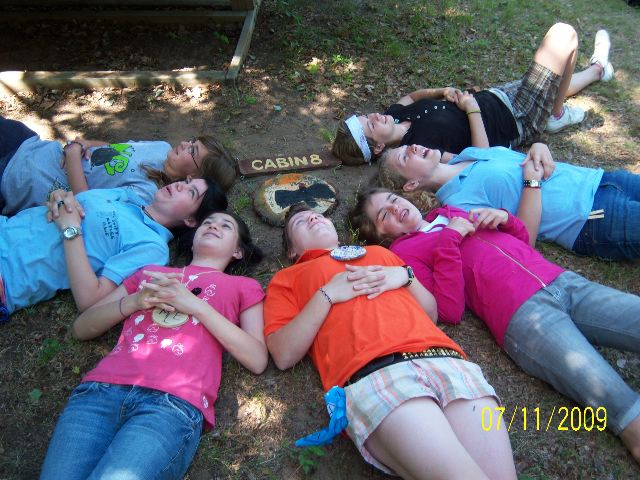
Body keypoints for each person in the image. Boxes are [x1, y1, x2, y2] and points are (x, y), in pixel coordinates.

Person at [349, 185, 640, 463]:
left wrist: (505, 219)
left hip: (564, 283)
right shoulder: (406, 253)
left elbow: (523, 242)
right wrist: (450, 238)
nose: (395, 208)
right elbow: (449, 309)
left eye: (393, 199)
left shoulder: (450, 211)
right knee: (620, 405)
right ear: (379, 235)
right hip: (524, 314)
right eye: (384, 215)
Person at [264, 204, 517, 479]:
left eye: (318, 214)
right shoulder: (287, 278)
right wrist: (326, 295)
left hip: (446, 359)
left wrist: (406, 276)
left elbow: (431, 314)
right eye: (300, 222)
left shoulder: (380, 252)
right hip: (377, 373)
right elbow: (283, 354)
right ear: (291, 251)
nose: (313, 217)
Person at [39, 211, 267, 480]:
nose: (213, 226)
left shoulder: (243, 286)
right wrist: (134, 301)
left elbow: (257, 359)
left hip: (171, 405)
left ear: (238, 251)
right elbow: (81, 327)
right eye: (207, 222)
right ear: (193, 238)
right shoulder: (149, 273)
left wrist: (195, 306)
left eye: (225, 226)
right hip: (99, 392)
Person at [332, 24, 613, 165]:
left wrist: (442, 91)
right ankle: (556, 114)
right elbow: (481, 160)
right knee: (564, 34)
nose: (375, 115)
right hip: (514, 119)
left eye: (367, 115)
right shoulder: (417, 150)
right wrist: (470, 108)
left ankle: (597, 69)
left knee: (553, 79)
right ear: (378, 148)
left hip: (496, 96)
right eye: (371, 124)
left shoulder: (393, 115)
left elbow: (413, 97)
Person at [0, 177, 227, 322]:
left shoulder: (152, 247)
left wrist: (70, 230)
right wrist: (59, 197)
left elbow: (90, 300)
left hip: (9, 274)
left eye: (190, 192)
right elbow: (67, 205)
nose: (179, 185)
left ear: (190, 221)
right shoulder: (126, 195)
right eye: (186, 181)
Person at [377, 141, 640, 260]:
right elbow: (524, 243)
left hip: (600, 179)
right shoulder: (457, 205)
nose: (412, 147)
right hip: (591, 217)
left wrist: (538, 146)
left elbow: (522, 160)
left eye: (408, 146)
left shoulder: (466, 154)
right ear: (411, 184)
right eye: (405, 157)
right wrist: (531, 183)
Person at [0, 115, 237, 215]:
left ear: (194, 176)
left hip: (20, 179)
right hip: (29, 144)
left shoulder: (149, 194)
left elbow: (86, 204)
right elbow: (113, 148)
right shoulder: (161, 148)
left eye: (192, 150)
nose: (185, 143)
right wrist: (85, 144)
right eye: (192, 141)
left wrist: (72, 156)